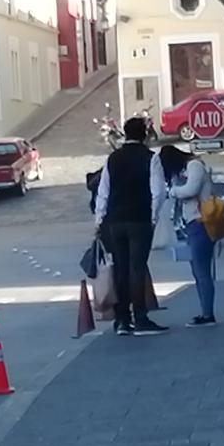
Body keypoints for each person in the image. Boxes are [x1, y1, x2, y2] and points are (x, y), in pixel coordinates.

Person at [94, 116, 168, 337]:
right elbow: (158, 192)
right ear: (144, 134)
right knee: (137, 267)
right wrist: (152, 217)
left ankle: (122, 320)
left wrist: (99, 220)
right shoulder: (151, 158)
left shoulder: (113, 159)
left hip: (115, 221)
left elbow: (103, 192)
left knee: (121, 268)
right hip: (140, 219)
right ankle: (141, 317)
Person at [159, 144, 218, 328]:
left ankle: (208, 314)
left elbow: (191, 190)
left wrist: (174, 191)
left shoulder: (194, 166)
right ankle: (205, 311)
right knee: (198, 271)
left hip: (201, 221)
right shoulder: (188, 168)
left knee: (202, 271)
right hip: (193, 223)